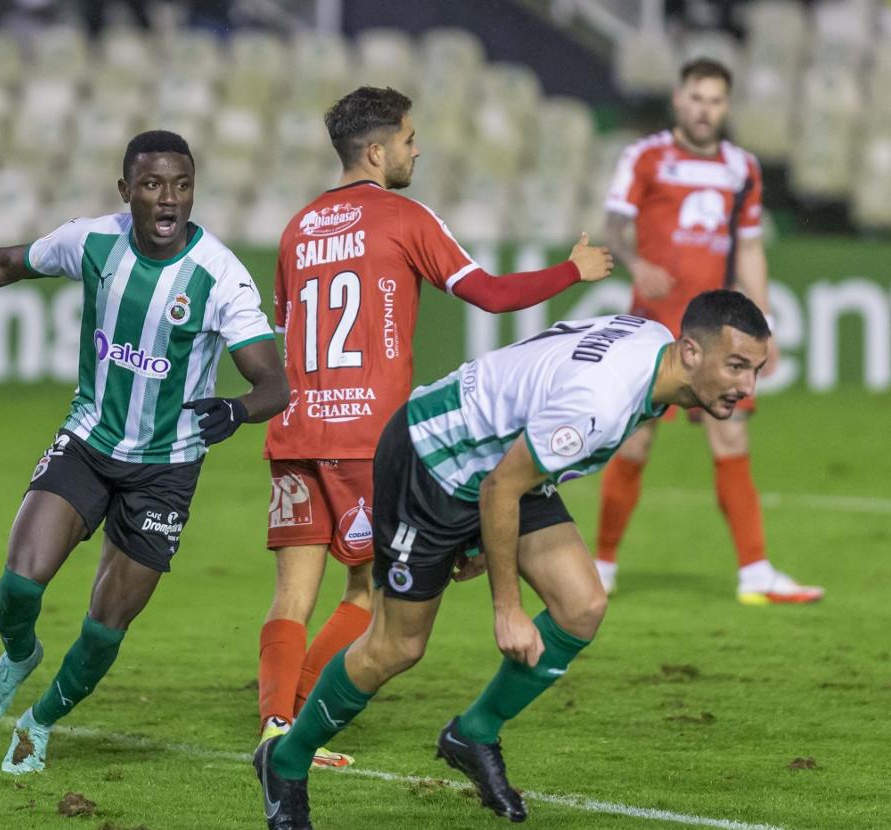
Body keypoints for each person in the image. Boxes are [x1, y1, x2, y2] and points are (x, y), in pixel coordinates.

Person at [0, 130, 290, 775]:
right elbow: (4, 264)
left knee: (105, 626)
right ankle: (16, 656)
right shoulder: (94, 240)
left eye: (181, 185)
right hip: (89, 442)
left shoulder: (219, 276)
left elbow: (275, 383)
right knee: (18, 584)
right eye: (152, 185)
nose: (168, 199)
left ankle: (39, 724)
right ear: (126, 192)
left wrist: (237, 409)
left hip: (166, 471)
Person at [254, 290, 772, 827]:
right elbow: (502, 490)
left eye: (755, 370)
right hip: (433, 460)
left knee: (581, 605)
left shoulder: (649, 347)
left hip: (500, 459)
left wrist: (483, 537)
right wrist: (508, 607)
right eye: (735, 366)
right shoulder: (603, 400)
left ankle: (471, 734)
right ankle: (285, 760)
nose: (746, 386)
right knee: (396, 646)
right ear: (690, 351)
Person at [257, 85, 613, 768]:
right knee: (368, 595)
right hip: (369, 440)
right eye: (410, 139)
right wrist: (575, 269)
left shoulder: (298, 228)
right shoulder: (403, 216)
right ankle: (300, 726)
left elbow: (285, 328)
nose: (416, 150)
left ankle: (275, 726)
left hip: (297, 431)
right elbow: (489, 293)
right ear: (376, 149)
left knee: (289, 596)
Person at [596, 58, 822, 604]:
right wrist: (634, 262)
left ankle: (755, 572)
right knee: (634, 441)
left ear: (726, 106)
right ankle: (600, 566)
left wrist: (763, 329)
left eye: (715, 100)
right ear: (679, 99)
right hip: (654, 330)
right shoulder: (645, 156)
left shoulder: (742, 167)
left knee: (731, 436)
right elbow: (613, 227)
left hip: (718, 334)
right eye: (696, 97)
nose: (704, 109)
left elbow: (748, 249)